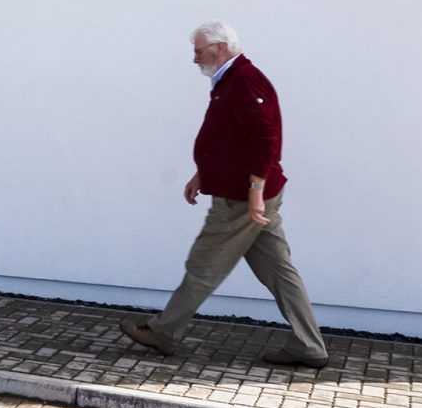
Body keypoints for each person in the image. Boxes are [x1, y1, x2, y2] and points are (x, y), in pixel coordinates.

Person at [121, 21, 330, 368]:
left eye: (198, 51)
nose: (194, 59)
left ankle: (164, 332)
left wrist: (254, 190)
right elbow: (228, 139)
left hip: (240, 198)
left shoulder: (246, 80)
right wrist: (203, 173)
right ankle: (309, 346)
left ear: (219, 47)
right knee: (279, 272)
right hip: (245, 191)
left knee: (204, 264)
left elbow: (265, 139)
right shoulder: (230, 81)